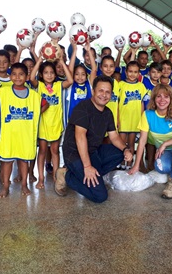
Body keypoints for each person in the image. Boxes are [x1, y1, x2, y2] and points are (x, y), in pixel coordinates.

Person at [55, 75, 133, 203]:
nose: (104, 95)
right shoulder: (83, 108)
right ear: (93, 91)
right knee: (100, 196)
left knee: (120, 153)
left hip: (92, 151)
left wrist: (126, 149)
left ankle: (90, 175)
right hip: (74, 154)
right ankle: (67, 175)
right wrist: (87, 167)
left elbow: (113, 136)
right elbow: (80, 137)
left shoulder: (108, 112)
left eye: (108, 92)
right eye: (100, 91)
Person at [0, 63, 45, 197]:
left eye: (21, 74)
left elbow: (45, 104)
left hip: (25, 134)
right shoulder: (3, 92)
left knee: (24, 161)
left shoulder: (33, 95)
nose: (17, 77)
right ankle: (5, 186)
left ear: (27, 76)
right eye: (14, 74)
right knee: (7, 162)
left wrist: (36, 114)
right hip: (8, 135)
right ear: (10, 76)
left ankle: (24, 184)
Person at [128, 84, 172, 199]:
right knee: (159, 167)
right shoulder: (147, 115)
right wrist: (136, 165)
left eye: (166, 96)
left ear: (171, 98)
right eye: (158, 96)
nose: (162, 100)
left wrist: (165, 143)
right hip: (168, 153)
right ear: (154, 99)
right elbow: (142, 141)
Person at [29, 53, 73, 189]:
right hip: (42, 124)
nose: (49, 75)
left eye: (52, 72)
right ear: (41, 74)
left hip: (56, 124)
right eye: (46, 72)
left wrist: (61, 61)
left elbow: (70, 80)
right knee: (42, 151)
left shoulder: (59, 85)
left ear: (55, 74)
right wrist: (40, 60)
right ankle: (41, 178)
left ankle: (55, 175)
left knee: (54, 151)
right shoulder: (39, 86)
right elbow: (31, 78)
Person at [118, 61, 147, 169]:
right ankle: (121, 162)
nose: (132, 74)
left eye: (135, 72)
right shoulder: (121, 85)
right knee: (121, 144)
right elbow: (117, 103)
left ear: (139, 73)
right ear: (126, 72)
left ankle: (129, 164)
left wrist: (141, 119)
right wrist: (117, 119)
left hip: (135, 121)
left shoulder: (141, 86)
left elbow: (142, 104)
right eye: (130, 71)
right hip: (123, 119)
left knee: (131, 144)